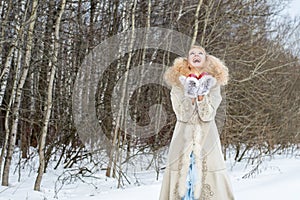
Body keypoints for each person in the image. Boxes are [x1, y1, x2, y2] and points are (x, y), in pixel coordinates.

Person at [159, 45, 234, 200]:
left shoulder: (213, 85)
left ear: (206, 60)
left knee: (206, 177)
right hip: (182, 138)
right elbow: (182, 114)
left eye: (200, 53)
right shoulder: (178, 85)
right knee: (182, 177)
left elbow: (208, 115)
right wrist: (190, 94)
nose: (196, 55)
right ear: (187, 61)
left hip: (207, 138)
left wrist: (201, 97)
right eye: (192, 53)